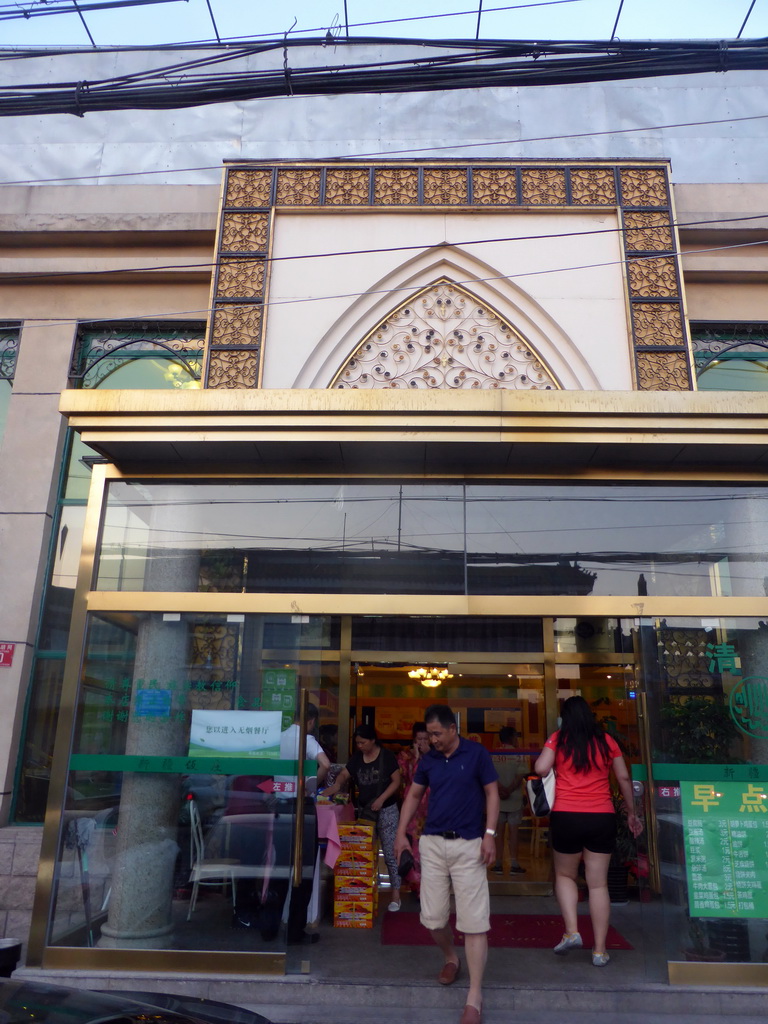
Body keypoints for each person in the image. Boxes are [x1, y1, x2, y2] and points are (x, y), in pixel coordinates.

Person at [395, 705, 499, 1024]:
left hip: (469, 845)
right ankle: (451, 957)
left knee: (474, 922)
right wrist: (401, 834)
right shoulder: (429, 760)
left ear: (453, 729)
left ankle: (474, 996)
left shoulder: (477, 753)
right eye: (429, 735)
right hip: (433, 844)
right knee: (433, 918)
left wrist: (490, 834)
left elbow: (492, 793)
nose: (433, 740)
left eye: (437, 734)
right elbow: (413, 796)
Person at [534, 695, 643, 968]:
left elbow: (540, 768)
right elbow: (623, 778)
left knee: (565, 875)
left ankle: (572, 931)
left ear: (565, 717)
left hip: (566, 815)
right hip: (600, 816)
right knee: (598, 884)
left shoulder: (559, 738)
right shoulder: (607, 741)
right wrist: (632, 812)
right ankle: (599, 950)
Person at [322, 723, 403, 911]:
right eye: (357, 743)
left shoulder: (386, 756)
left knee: (390, 854)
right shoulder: (357, 758)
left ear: (373, 740)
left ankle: (396, 895)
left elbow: (396, 781)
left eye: (363, 742)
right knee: (364, 853)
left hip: (387, 810)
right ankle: (364, 895)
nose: (360, 746)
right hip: (366, 810)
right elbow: (344, 774)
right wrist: (336, 785)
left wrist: (382, 799)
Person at [397, 721, 431, 893]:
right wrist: (417, 758)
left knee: (430, 846)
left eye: (426, 738)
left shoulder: (436, 756)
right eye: (419, 739)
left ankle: (429, 885)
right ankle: (417, 885)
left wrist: (428, 755)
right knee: (413, 846)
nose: (422, 742)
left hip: (431, 807)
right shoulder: (405, 756)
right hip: (413, 808)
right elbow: (407, 778)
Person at [491, 725, 528, 875]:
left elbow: (490, 774)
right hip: (515, 799)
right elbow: (520, 776)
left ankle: (498, 863)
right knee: (514, 832)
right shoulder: (519, 755)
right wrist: (510, 789)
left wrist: (500, 789)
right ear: (513, 737)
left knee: (498, 832)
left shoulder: (493, 755)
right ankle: (514, 863)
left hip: (498, 800)